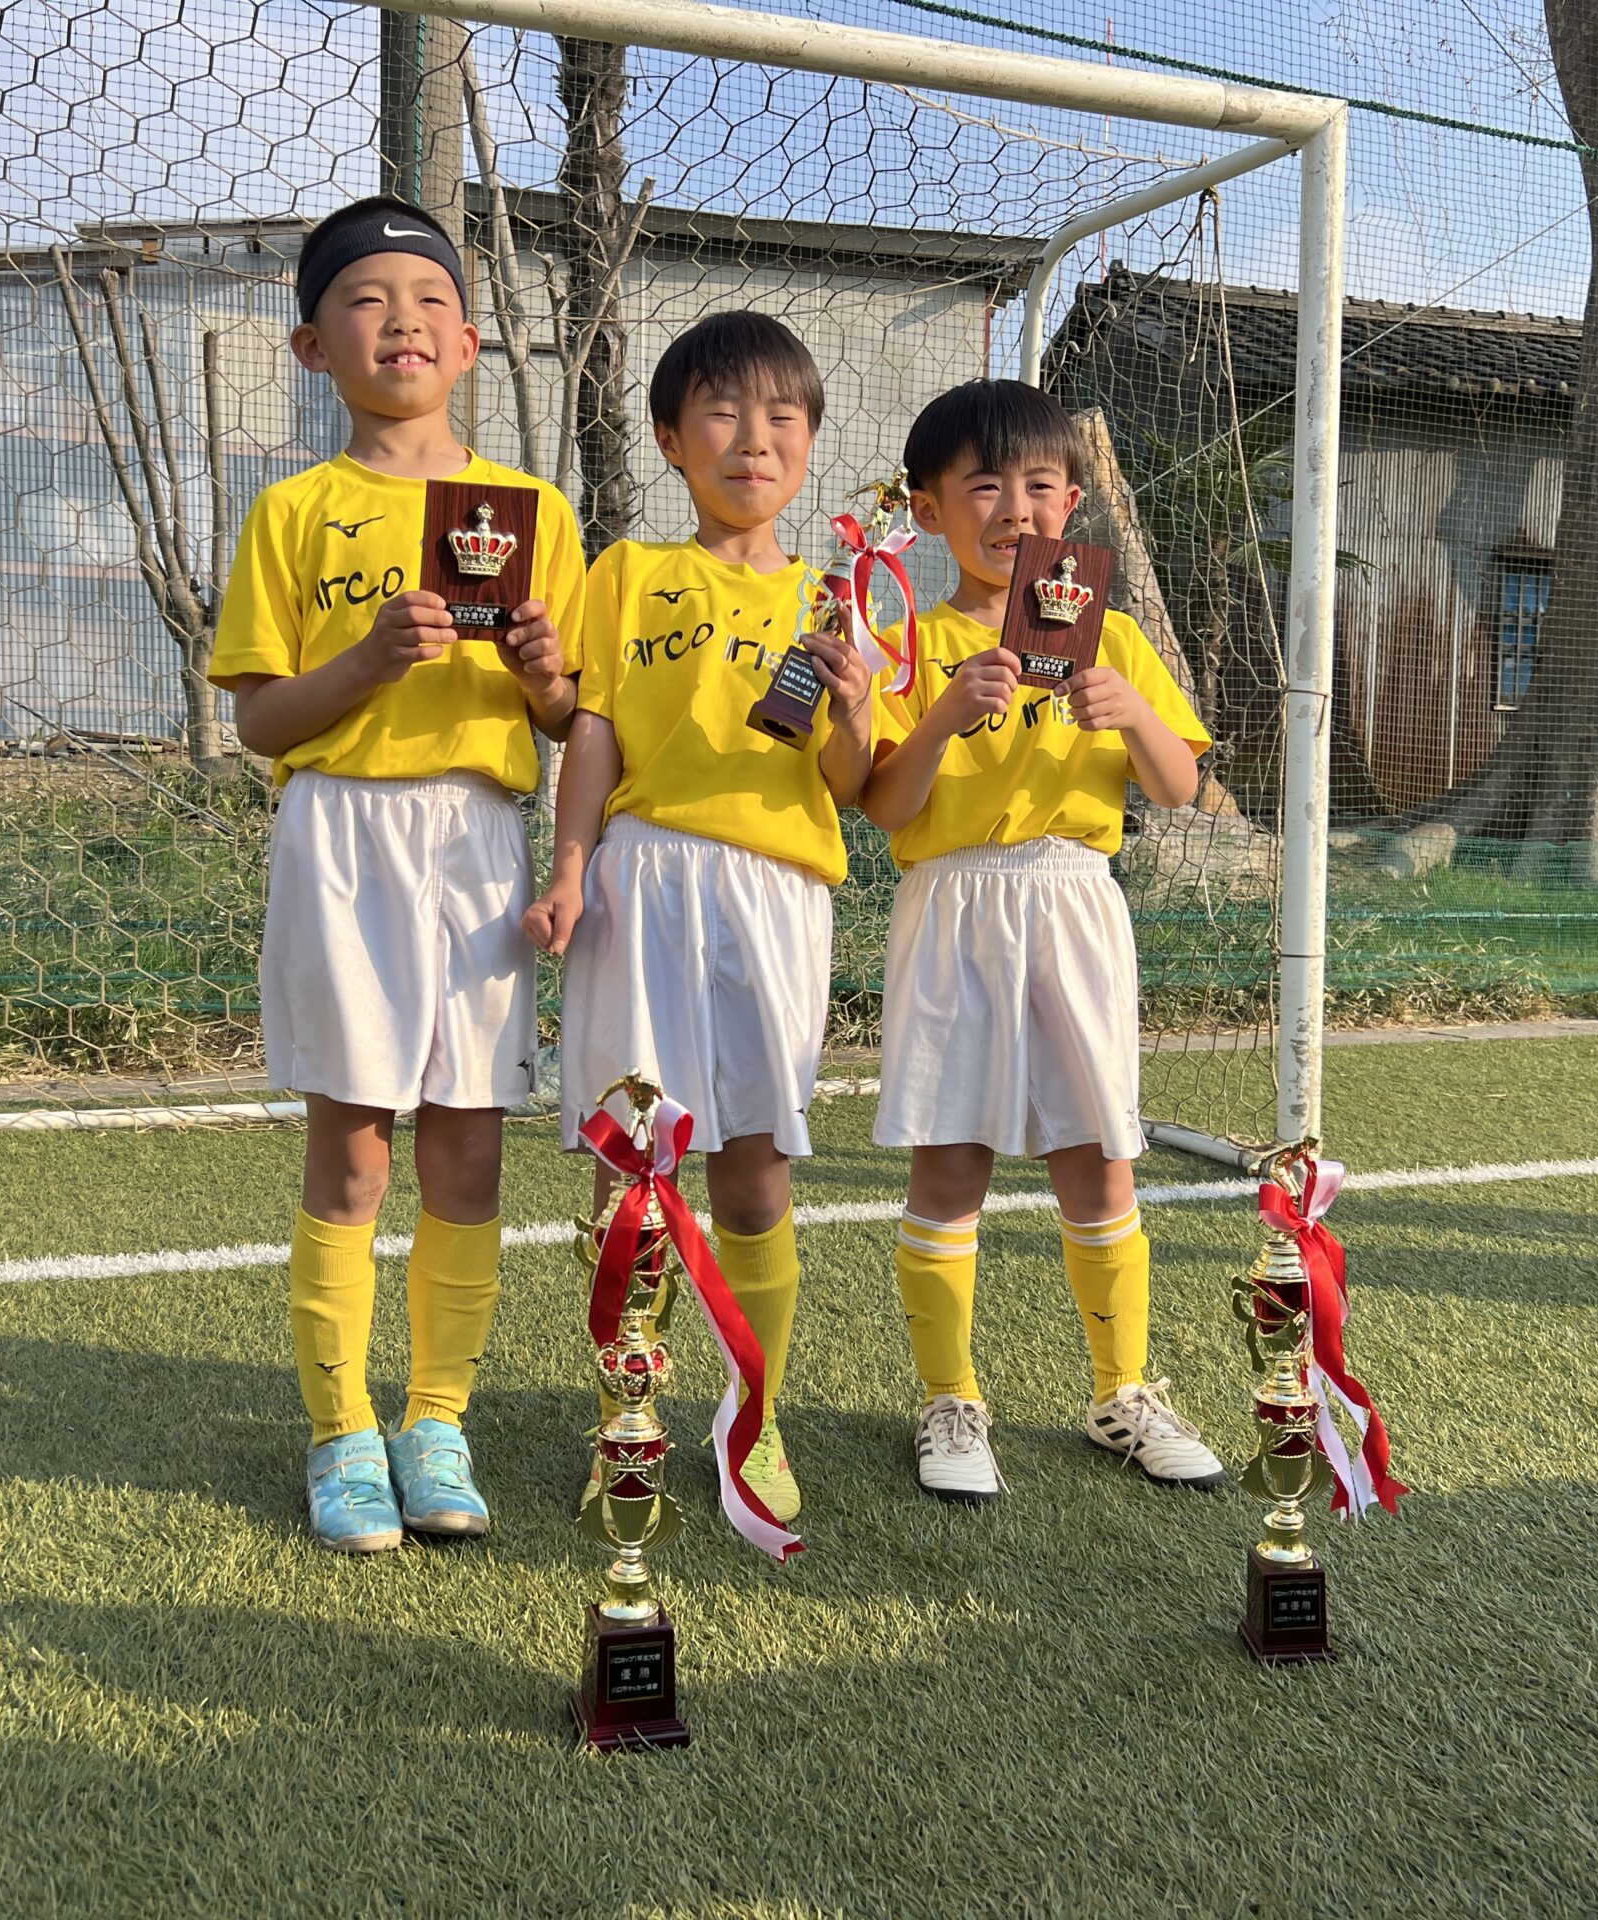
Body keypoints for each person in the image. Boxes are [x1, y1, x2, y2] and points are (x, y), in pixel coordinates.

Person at [210, 196, 585, 1553]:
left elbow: (569, 716)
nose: (402, 321)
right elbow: (259, 721)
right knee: (356, 1145)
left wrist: (544, 676)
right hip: (343, 838)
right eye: (366, 301)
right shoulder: (294, 511)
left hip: (478, 842)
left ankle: (437, 1423)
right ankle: (339, 1434)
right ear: (313, 347)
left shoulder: (533, 513)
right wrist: (368, 661)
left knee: (469, 1143)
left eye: (428, 300)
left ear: (472, 343)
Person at [524, 311, 874, 1522]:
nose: (752, 439)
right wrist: (569, 868)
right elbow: (593, 731)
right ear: (672, 440)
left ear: (809, 440)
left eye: (781, 416)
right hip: (643, 880)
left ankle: (754, 1417)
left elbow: (848, 783)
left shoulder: (837, 595)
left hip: (775, 894)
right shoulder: (628, 574)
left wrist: (857, 707)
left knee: (755, 1168)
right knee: (635, 1162)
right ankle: (626, 1419)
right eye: (721, 413)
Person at [861, 378, 1225, 1504]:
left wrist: (1134, 714)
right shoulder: (906, 642)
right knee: (949, 1157)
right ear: (930, 510)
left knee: (1097, 1154)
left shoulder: (1110, 636)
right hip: (952, 904)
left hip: (1073, 900)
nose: (1014, 509)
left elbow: (1179, 786)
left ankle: (1125, 1393)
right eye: (984, 486)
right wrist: (941, 715)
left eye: (1038, 485)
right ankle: (949, 1400)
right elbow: (882, 805)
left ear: (1072, 504)